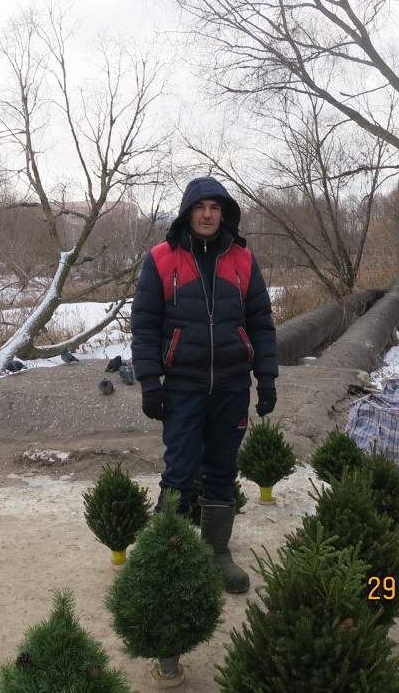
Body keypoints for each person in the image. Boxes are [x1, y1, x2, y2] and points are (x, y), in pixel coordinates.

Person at [131, 175, 278, 593]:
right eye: (200, 207)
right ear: (188, 213)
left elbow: (262, 323)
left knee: (221, 472)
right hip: (183, 386)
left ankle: (217, 555)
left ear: (224, 213)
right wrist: (149, 382)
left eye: (215, 207)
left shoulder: (244, 261)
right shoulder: (161, 258)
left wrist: (265, 378)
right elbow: (144, 324)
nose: (208, 214)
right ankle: (165, 560)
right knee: (179, 472)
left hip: (232, 387)